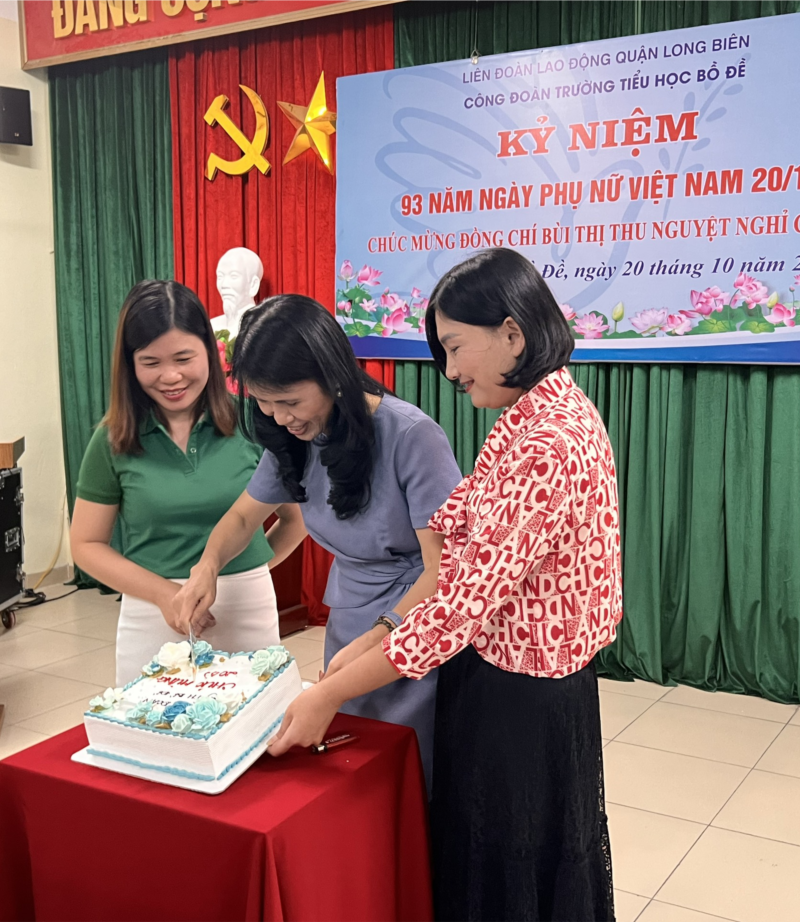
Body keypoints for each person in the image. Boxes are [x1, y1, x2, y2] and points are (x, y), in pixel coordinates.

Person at [267, 249, 622, 922]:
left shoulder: (543, 442)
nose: (451, 370)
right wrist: (378, 632)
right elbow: (459, 548)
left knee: (509, 867)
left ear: (512, 333)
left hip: (519, 698)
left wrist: (330, 693)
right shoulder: (536, 416)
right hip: (515, 681)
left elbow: (459, 606)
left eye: (456, 347)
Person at [173, 295, 463, 788]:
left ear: (331, 375)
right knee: (349, 764)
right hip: (350, 614)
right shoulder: (294, 436)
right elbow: (243, 517)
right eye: (264, 403)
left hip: (416, 621)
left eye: (289, 402)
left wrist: (379, 635)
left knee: (414, 770)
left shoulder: (411, 436)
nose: (279, 417)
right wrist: (207, 566)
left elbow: (445, 570)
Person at [70, 280, 305, 684]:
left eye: (184, 358)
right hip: (151, 615)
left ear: (210, 352)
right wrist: (165, 594)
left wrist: (246, 573)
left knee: (253, 717)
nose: (171, 376)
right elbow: (86, 545)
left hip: (246, 613)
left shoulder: (254, 422)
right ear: (129, 364)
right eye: (150, 362)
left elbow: (296, 519)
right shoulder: (112, 439)